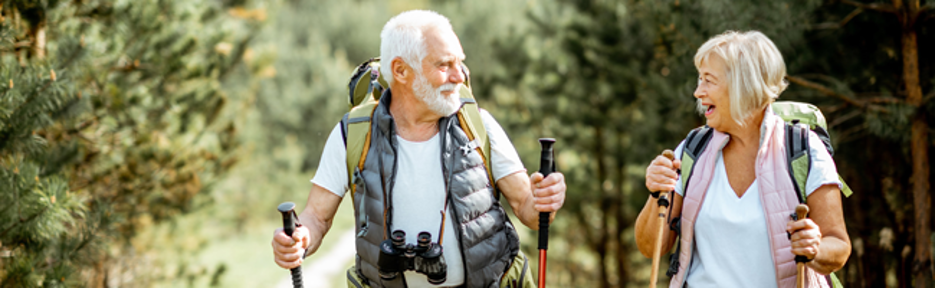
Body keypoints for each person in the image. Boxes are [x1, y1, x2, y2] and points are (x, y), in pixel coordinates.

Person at [271, 10, 566, 288]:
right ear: (401, 70)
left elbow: (528, 211)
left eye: (459, 63)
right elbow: (317, 218)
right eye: (444, 65)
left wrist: (544, 199)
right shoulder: (353, 133)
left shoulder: (477, 124)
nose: (459, 76)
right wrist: (299, 239)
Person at [635, 31, 850, 288]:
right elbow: (650, 247)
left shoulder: (803, 148)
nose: (697, 92)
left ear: (742, 86)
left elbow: (838, 246)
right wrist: (655, 192)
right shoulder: (692, 149)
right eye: (699, 80)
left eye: (708, 80)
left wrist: (815, 248)